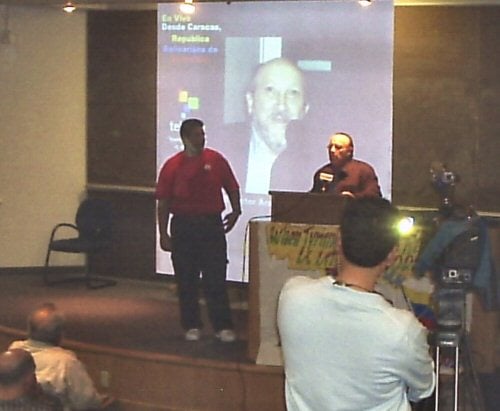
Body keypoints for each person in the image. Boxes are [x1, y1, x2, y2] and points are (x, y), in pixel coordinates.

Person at [277, 197, 435, 411]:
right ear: (392, 255)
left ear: (339, 240)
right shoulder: (402, 330)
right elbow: (423, 389)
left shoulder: (293, 295)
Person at [155, 118, 242, 343]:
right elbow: (163, 202)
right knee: (186, 279)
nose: (201, 138)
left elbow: (232, 186)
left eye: (202, 134)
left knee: (216, 277)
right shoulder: (172, 165)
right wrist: (163, 233)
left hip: (211, 225)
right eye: (196, 135)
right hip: (184, 226)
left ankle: (222, 326)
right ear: (185, 138)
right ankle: (191, 325)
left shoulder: (216, 160)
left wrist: (236, 210)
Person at [9, 303, 115, 411]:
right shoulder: (66, 362)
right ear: (60, 334)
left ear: (29, 329)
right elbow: (86, 402)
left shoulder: (14, 350)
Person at [239, 57, 310, 195]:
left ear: (305, 109)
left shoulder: (323, 162)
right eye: (270, 90)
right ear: (250, 101)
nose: (281, 105)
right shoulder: (218, 147)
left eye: (293, 93)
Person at [310, 131, 381, 198]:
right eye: (330, 147)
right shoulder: (323, 172)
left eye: (338, 147)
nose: (332, 150)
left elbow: (374, 196)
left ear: (349, 151)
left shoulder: (363, 171)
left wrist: (353, 197)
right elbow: (313, 198)